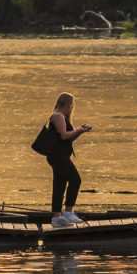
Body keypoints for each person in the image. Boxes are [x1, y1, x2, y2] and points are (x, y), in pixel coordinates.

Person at [43, 92, 90, 227]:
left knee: (60, 185)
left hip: (60, 155)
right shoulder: (57, 115)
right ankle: (68, 212)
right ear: (69, 104)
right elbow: (64, 136)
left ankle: (57, 218)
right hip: (58, 156)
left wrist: (80, 131)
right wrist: (78, 129)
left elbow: (68, 138)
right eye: (72, 104)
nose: (72, 107)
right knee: (75, 179)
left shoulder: (63, 117)